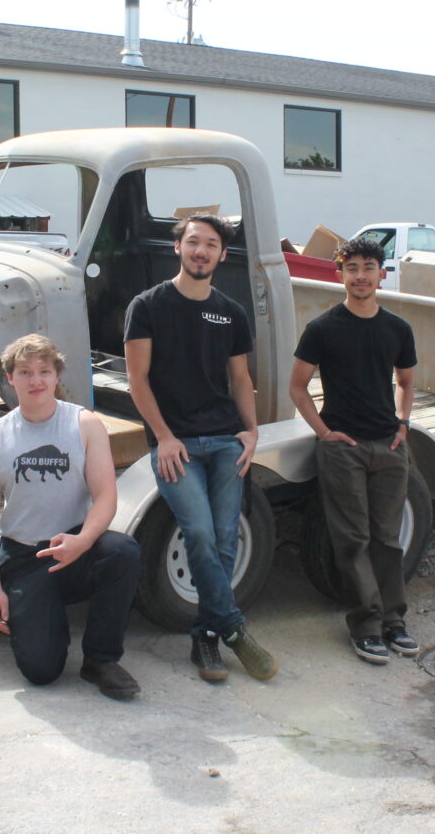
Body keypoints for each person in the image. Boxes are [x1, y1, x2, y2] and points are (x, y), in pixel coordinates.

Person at [124, 215, 277, 683]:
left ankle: (206, 637)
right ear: (178, 248)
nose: (201, 251)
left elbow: (240, 379)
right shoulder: (147, 305)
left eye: (211, 245)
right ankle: (232, 627)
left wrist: (251, 432)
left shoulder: (230, 312)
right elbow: (137, 379)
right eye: (193, 242)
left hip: (226, 441)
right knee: (201, 534)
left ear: (221, 256)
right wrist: (165, 437)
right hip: (178, 448)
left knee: (228, 537)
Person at [0, 333, 143, 700]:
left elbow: (106, 497)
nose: (36, 380)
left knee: (123, 551)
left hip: (75, 546)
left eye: (44, 371)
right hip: (24, 557)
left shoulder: (85, 424)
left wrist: (82, 542)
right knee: (42, 672)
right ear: (10, 378)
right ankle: (45, 621)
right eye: (25, 372)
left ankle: (101, 659)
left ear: (56, 376)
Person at [289, 236, 421, 664]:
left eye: (368, 267)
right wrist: (324, 433)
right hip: (343, 448)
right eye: (352, 268)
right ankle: (366, 626)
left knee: (387, 538)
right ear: (339, 274)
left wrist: (403, 424)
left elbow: (405, 382)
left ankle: (394, 621)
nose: (360, 275)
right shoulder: (322, 329)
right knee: (353, 540)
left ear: (381, 274)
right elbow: (297, 386)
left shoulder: (397, 329)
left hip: (389, 444)